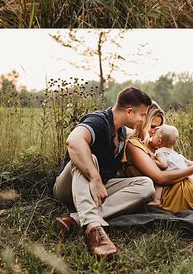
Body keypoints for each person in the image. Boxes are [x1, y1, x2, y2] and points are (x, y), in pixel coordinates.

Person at [53, 85, 155, 258]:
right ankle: (94, 229)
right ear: (129, 111)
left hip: (96, 190)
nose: (143, 119)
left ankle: (75, 219)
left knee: (146, 185)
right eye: (142, 115)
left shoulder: (121, 131)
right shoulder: (98, 121)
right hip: (67, 187)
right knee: (89, 158)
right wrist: (95, 178)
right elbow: (74, 140)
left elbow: (140, 134)